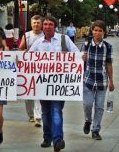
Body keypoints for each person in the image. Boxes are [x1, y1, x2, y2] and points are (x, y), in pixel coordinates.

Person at [28, 16, 79, 151]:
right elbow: (28, 58)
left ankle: (57, 140)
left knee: (56, 110)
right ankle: (47, 137)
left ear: (55, 26)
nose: (47, 26)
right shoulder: (38, 43)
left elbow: (76, 54)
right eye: (45, 24)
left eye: (50, 24)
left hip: (59, 84)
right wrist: (21, 59)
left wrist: (79, 57)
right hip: (43, 84)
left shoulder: (64, 39)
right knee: (45, 112)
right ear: (42, 27)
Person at [82, 20, 114, 140]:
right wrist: (82, 58)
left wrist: (111, 81)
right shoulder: (86, 44)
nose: (97, 33)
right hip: (88, 79)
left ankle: (96, 130)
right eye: (95, 30)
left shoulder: (107, 47)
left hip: (102, 81)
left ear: (104, 32)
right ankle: (88, 120)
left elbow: (109, 64)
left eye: (100, 30)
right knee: (88, 104)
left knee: (100, 107)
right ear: (92, 31)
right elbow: (78, 61)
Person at [19, 15, 44, 128]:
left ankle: (38, 116)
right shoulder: (27, 35)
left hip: (41, 68)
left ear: (41, 24)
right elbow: (20, 49)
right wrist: (25, 50)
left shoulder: (45, 35)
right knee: (28, 93)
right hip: (28, 68)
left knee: (38, 92)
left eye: (38, 23)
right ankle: (30, 114)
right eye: (34, 23)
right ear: (31, 23)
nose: (36, 25)